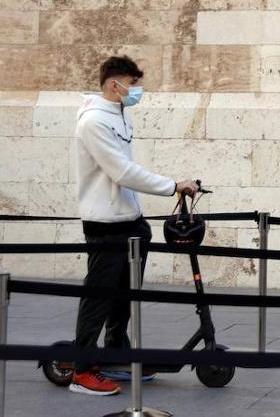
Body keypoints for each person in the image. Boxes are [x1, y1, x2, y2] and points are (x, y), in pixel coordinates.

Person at [71, 56, 200, 397]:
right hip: (106, 223)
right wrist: (173, 185)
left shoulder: (118, 115)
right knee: (98, 297)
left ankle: (116, 352)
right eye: (133, 83)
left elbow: (126, 172)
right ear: (115, 84)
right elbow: (122, 172)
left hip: (130, 221)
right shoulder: (93, 122)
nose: (137, 90)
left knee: (124, 297)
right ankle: (81, 371)